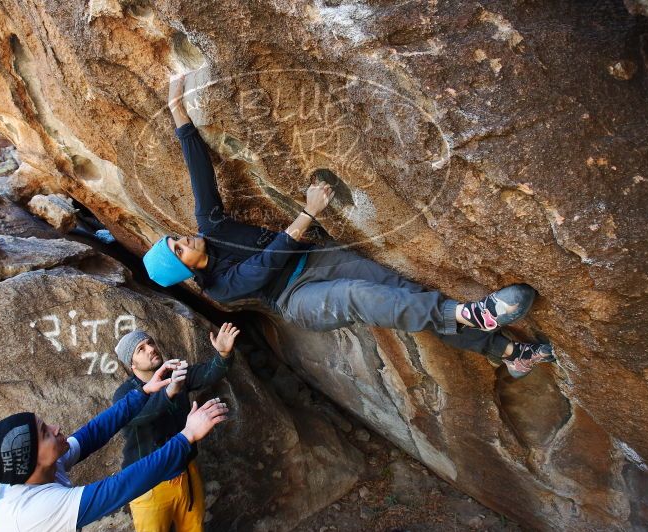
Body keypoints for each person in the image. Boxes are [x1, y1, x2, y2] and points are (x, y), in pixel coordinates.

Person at [143, 73, 554, 379]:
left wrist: (178, 111)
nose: (184, 239)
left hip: (319, 258)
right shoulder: (219, 287)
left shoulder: (210, 226)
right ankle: (474, 313)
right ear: (188, 268)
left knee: (407, 295)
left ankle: (507, 352)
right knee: (359, 296)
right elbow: (264, 267)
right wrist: (308, 213)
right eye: (179, 249)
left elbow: (199, 171)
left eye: (174, 239)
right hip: (297, 297)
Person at [0, 365, 228, 532]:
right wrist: (187, 435)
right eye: (45, 433)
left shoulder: (37, 469)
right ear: (31, 461)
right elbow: (120, 487)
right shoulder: (34, 511)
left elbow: (93, 433)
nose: (57, 428)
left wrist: (143, 392)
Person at [112, 323, 239, 532]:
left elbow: (210, 372)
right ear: (131, 363)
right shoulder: (124, 394)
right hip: (147, 483)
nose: (150, 349)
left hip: (185, 471)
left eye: (149, 343)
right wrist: (169, 392)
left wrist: (224, 354)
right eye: (140, 349)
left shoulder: (176, 373)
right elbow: (139, 416)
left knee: (194, 529)